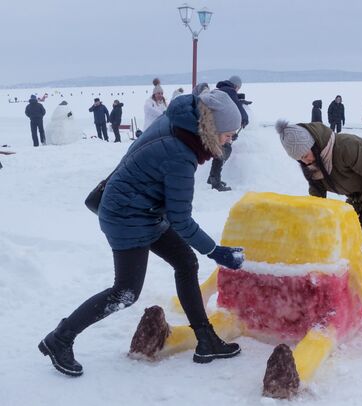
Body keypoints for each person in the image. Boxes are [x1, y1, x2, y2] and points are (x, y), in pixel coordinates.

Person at [38, 90, 245, 377]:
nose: (230, 139)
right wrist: (215, 251)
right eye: (228, 134)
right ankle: (59, 338)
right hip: (126, 215)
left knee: (185, 263)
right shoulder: (181, 155)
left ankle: (205, 339)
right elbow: (181, 220)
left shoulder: (180, 122)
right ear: (211, 128)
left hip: (142, 207)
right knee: (125, 292)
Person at [275, 120, 362, 282]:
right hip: (361, 193)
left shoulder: (345, 148)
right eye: (300, 160)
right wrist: (314, 221)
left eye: (306, 155)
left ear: (315, 145)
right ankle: (353, 274)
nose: (305, 162)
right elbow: (317, 196)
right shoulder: (312, 165)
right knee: (350, 228)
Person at [207, 75, 249, 191]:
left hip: (213, 126)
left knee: (221, 150)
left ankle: (212, 178)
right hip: (220, 129)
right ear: (236, 86)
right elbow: (237, 105)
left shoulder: (220, 90)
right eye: (238, 89)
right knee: (224, 150)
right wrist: (245, 118)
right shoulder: (230, 91)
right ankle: (215, 181)